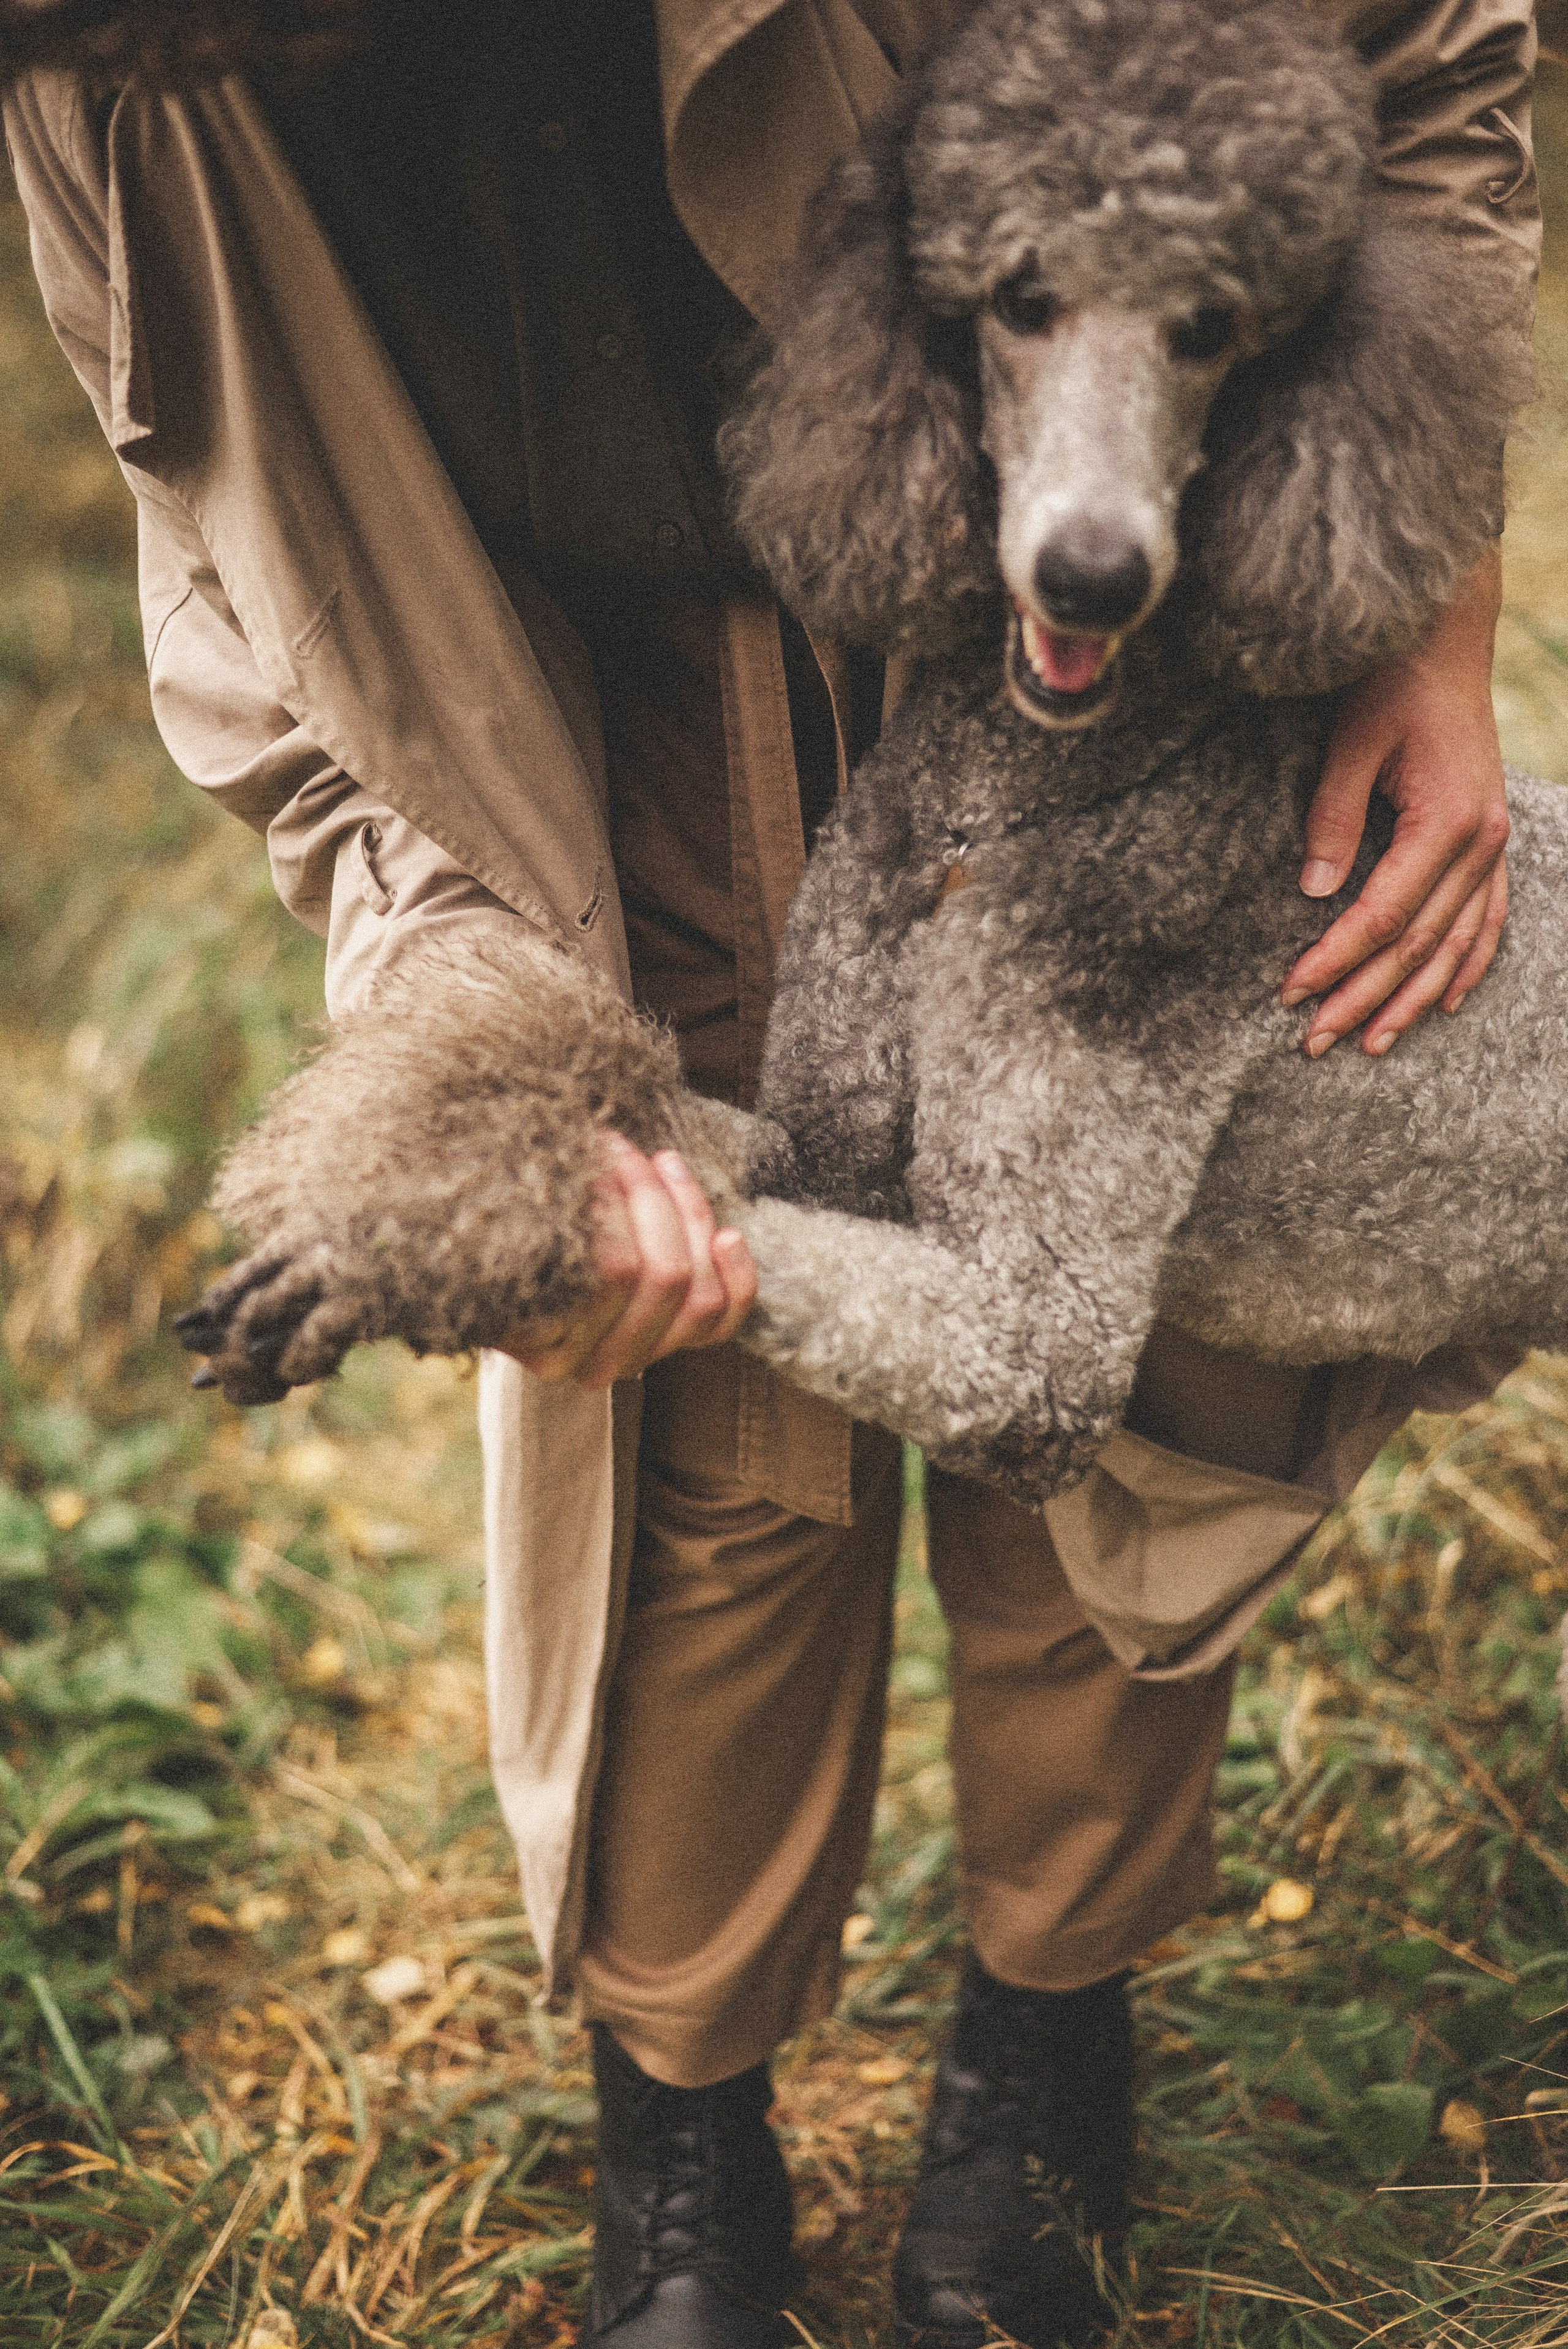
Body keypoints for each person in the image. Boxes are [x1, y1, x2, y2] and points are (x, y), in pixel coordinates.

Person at [3, 0, 1539, 2339]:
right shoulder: (105, 87)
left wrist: (1430, 608)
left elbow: (1428, 41)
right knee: (714, 1465)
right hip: (580, 673)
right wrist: (463, 1071)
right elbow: (263, 636)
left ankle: (1052, 2021)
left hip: (1123, 634)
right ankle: (683, 2103)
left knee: (1135, 1402)